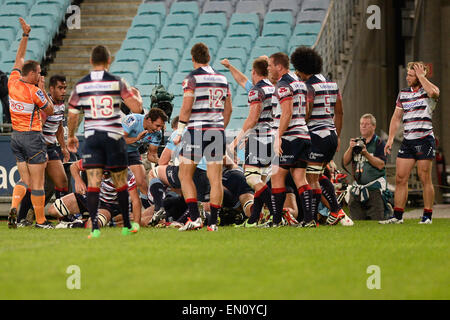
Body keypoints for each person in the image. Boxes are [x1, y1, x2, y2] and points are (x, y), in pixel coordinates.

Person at [67, 45, 143, 238]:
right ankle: (127, 225)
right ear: (109, 61)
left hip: (92, 137)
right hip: (114, 137)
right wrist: (136, 96)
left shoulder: (82, 84)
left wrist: (71, 135)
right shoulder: (117, 82)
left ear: (91, 61)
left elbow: (73, 114)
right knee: (120, 182)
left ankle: (94, 229)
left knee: (93, 183)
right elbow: (136, 107)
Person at [173, 43, 232, 232]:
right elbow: (228, 109)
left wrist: (180, 131)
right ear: (208, 57)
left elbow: (186, 107)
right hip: (216, 130)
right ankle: (213, 223)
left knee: (184, 174)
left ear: (193, 59)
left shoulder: (192, 79)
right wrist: (220, 127)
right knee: (216, 180)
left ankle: (195, 218)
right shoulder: (223, 79)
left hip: (196, 131)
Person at [7, 18, 55, 229]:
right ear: (33, 74)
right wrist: (43, 88)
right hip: (32, 137)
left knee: (24, 180)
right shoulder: (35, 92)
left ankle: (14, 208)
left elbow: (19, 58)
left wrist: (25, 34)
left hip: (16, 136)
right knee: (38, 183)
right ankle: (41, 221)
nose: (40, 75)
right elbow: (51, 110)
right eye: (38, 72)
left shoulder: (12, 81)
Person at [290, 46, 345, 226]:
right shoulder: (332, 84)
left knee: (311, 178)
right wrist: (337, 136)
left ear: (302, 68)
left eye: (297, 69)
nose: (296, 73)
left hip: (317, 135)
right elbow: (340, 112)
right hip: (330, 134)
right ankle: (331, 212)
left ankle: (313, 218)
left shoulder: (309, 87)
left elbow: (307, 113)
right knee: (319, 175)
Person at [381, 61, 440, 225]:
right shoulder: (404, 94)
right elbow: (396, 117)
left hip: (424, 139)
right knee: (400, 178)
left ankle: (427, 216)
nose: (407, 78)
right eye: (407, 74)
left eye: (411, 75)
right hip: (408, 141)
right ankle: (397, 216)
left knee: (424, 177)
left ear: (420, 76)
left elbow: (434, 93)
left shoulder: (428, 91)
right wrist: (391, 138)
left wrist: (422, 77)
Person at [16, 74, 70, 227]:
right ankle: (21, 218)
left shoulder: (61, 103)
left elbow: (59, 126)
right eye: (60, 88)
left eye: (65, 88)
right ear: (51, 89)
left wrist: (64, 147)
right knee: (35, 184)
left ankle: (63, 217)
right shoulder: (44, 105)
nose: (63, 91)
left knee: (62, 180)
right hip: (38, 147)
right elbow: (37, 128)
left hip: (51, 147)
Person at [268, 52, 314, 228]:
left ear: (279, 66)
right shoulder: (300, 83)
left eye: (271, 66)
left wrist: (278, 137)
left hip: (290, 136)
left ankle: (276, 220)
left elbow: (287, 112)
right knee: (300, 178)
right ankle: (309, 219)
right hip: (303, 133)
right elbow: (307, 109)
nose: (269, 69)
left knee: (277, 177)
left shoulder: (283, 84)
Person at [229, 57, 276, 227]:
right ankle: (254, 219)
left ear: (254, 72)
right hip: (271, 136)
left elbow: (252, 119)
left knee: (250, 177)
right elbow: (241, 80)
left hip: (259, 138)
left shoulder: (257, 90)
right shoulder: (273, 88)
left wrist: (236, 141)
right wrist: (229, 66)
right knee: (260, 180)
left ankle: (276, 214)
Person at [342, 114, 390, 220]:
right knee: (356, 221)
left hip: (374, 189)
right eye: (361, 124)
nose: (363, 126)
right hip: (358, 189)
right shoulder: (357, 143)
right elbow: (345, 162)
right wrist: (350, 148)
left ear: (373, 126)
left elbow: (381, 164)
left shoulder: (379, 143)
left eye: (367, 124)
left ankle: (388, 210)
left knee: (377, 220)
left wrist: (366, 154)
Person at [122, 107, 167, 208]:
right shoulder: (132, 120)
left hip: (132, 152)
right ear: (149, 120)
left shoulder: (157, 134)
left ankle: (151, 212)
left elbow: (151, 155)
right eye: (157, 125)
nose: (159, 129)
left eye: (161, 126)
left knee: (141, 182)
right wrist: (136, 139)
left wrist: (162, 162)